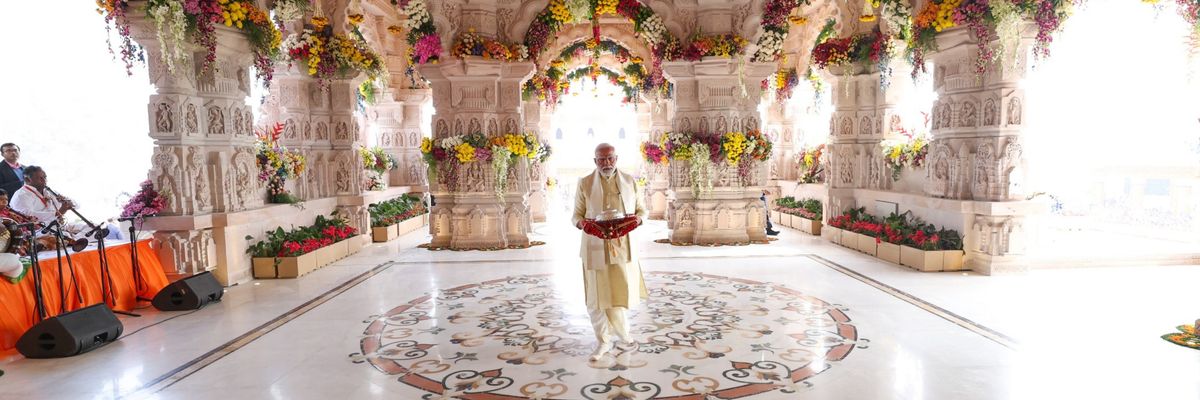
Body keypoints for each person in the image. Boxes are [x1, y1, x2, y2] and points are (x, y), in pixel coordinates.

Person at [572, 143, 649, 361]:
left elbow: (642, 210)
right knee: (596, 297)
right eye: (601, 159)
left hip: (621, 245)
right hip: (594, 246)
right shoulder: (585, 183)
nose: (606, 163)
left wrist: (637, 220)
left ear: (616, 158)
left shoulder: (630, 181)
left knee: (618, 292)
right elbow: (576, 215)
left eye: (610, 158)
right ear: (595, 161)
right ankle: (603, 341)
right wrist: (585, 225)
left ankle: (624, 334)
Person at [10, 166, 74, 225]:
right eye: (40, 178)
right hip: (39, 230)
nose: (44, 180)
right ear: (27, 180)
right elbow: (27, 215)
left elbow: (76, 205)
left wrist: (69, 203)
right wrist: (57, 213)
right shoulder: (21, 195)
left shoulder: (48, 191)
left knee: (80, 227)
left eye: (45, 177)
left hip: (60, 225)